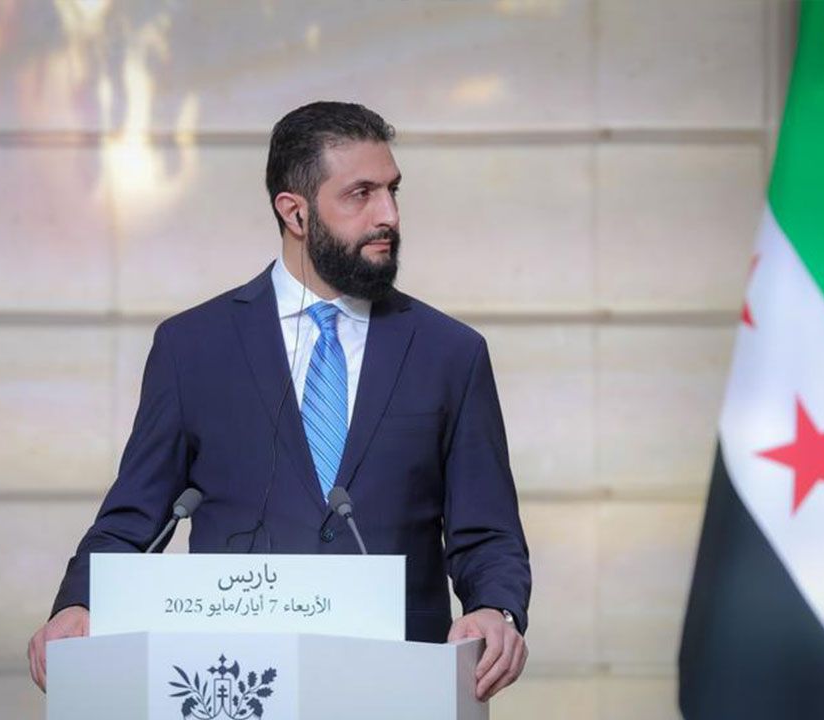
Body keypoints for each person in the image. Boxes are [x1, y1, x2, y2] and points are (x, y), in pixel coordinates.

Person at [27, 101, 531, 701]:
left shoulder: (451, 352)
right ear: (294, 212)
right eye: (361, 194)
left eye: (393, 191)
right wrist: (78, 603)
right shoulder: (192, 347)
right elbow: (135, 518)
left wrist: (496, 609)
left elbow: (487, 532)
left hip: (398, 686)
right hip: (234, 685)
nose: (389, 215)